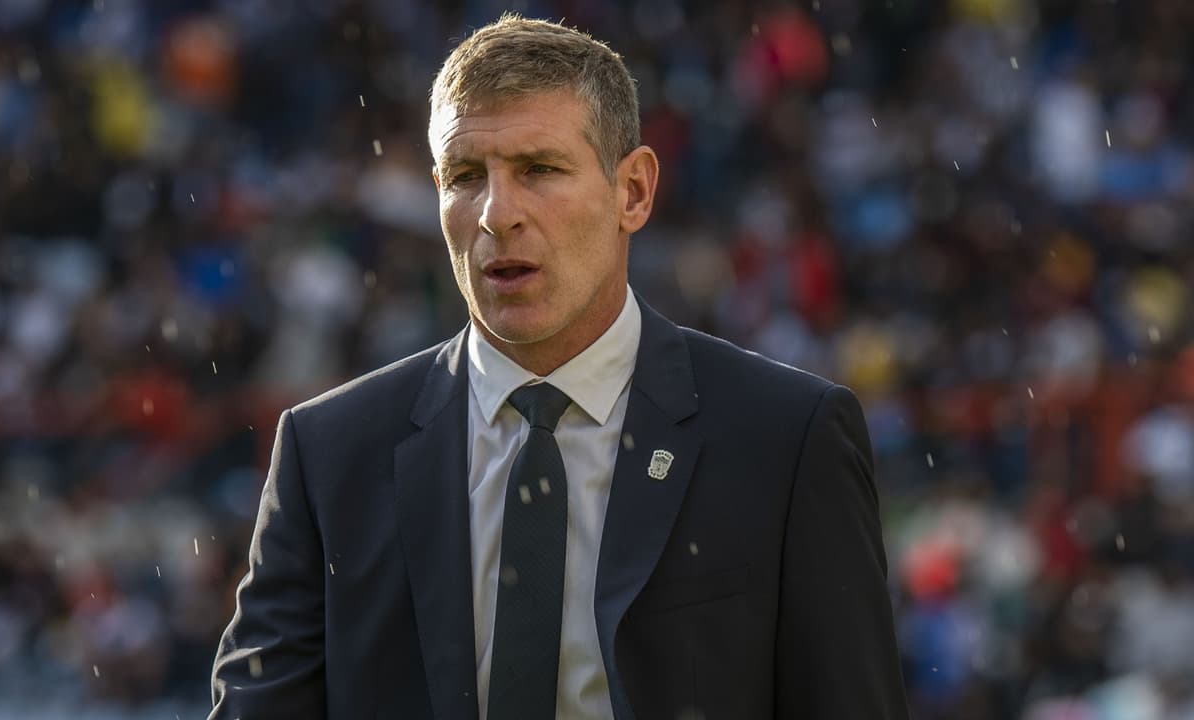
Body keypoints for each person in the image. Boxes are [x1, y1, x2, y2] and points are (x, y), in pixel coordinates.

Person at [210, 14, 909, 720]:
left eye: (539, 169)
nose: (497, 214)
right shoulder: (329, 454)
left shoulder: (784, 438)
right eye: (466, 177)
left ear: (633, 191)